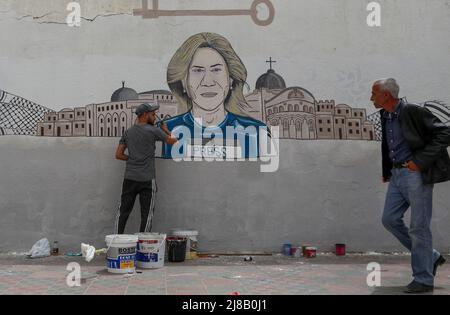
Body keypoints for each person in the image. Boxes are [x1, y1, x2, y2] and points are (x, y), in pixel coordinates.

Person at [371, 78, 450, 293]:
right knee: (389, 219)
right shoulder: (385, 115)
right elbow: (390, 144)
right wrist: (388, 171)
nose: (371, 98)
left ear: (386, 95)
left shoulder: (413, 111)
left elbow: (445, 132)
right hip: (397, 175)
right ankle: (431, 257)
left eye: (374, 93)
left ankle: (423, 279)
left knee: (419, 226)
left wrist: (420, 161)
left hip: (415, 174)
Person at [161, 32, 269, 160]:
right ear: (183, 82)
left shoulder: (256, 133)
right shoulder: (164, 131)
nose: (208, 82)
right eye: (197, 70)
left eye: (216, 70)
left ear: (230, 80)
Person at [115, 103, 177, 234]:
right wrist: (165, 130)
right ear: (145, 115)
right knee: (146, 215)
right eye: (153, 114)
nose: (155, 117)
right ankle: (143, 244)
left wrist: (132, 159)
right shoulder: (153, 130)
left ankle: (116, 240)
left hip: (129, 178)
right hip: (147, 179)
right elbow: (173, 141)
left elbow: (119, 155)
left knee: (123, 212)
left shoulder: (128, 132)